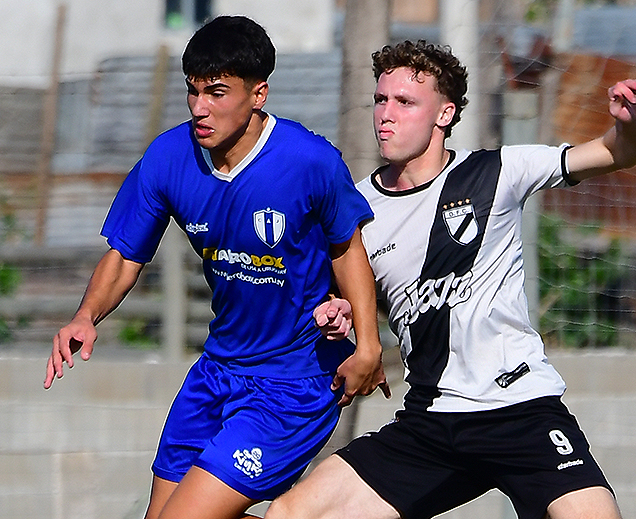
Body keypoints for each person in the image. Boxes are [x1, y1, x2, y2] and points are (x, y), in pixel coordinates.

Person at [265, 40, 636, 519]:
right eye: (380, 99)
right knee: (291, 514)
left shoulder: (498, 171)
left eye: (405, 102)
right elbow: (342, 301)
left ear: (445, 113)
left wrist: (629, 123)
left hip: (521, 410)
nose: (385, 115)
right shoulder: (356, 210)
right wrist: (338, 314)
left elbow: (615, 153)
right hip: (431, 421)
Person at [43, 15, 389, 519]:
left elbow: (346, 248)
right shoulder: (168, 157)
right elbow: (124, 258)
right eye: (193, 92)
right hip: (217, 370)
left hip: (291, 384)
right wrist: (85, 316)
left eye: (218, 93)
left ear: (258, 94)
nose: (200, 108)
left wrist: (368, 344)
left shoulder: (309, 161)